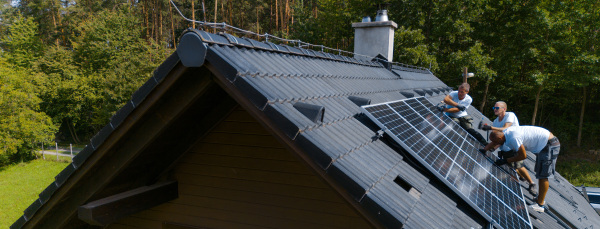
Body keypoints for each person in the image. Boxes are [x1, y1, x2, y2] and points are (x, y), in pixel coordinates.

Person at [489, 126, 560, 213]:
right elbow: (494, 142)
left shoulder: (513, 138)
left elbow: (523, 156)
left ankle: (540, 205)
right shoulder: (505, 132)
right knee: (539, 173)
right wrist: (485, 150)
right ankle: (539, 199)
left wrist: (506, 160)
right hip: (545, 143)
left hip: (549, 145)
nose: (496, 145)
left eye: (496, 142)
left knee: (543, 175)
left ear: (500, 138)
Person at [481, 101, 537, 196]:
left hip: (514, 145)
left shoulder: (510, 115)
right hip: (505, 148)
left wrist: (490, 127)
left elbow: (505, 128)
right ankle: (520, 176)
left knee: (519, 166)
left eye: (497, 108)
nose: (495, 109)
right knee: (511, 166)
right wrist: (485, 149)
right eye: (494, 108)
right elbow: (496, 138)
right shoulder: (495, 122)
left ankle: (532, 183)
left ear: (504, 109)